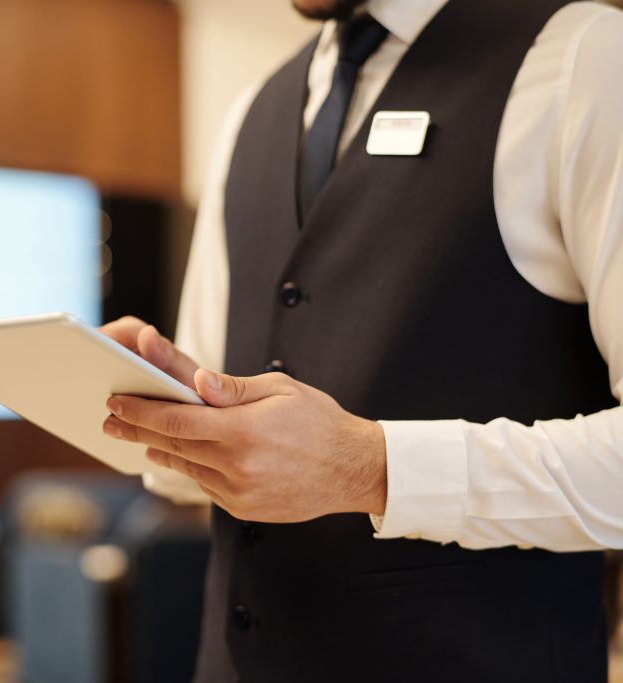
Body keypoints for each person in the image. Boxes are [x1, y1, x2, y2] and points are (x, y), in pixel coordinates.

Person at [100, 0, 623, 680]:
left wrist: (373, 467)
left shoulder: (587, 58)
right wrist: (146, 401)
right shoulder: (250, 114)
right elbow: (202, 452)